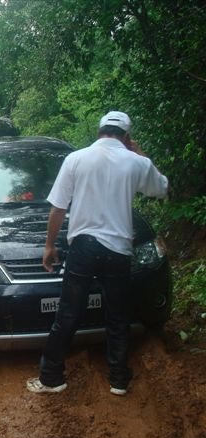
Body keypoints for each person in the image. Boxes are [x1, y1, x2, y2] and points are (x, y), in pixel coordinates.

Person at [26, 111, 168, 396]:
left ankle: (52, 378)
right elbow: (161, 188)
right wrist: (138, 152)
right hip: (118, 250)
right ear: (125, 137)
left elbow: (58, 208)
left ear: (99, 131)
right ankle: (118, 380)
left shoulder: (76, 159)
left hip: (84, 248)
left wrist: (49, 245)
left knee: (68, 313)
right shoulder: (135, 163)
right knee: (117, 315)